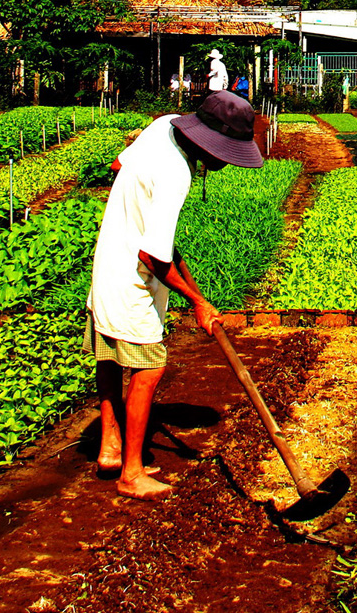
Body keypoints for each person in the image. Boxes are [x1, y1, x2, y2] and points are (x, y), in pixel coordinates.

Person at [86, 91, 265, 500]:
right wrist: (198, 302)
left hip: (108, 260)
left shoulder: (163, 125)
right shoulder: (176, 175)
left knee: (110, 357)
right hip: (132, 278)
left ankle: (110, 449)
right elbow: (153, 256)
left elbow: (118, 165)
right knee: (149, 368)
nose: (224, 162)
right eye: (226, 152)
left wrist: (198, 295)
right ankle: (131, 472)